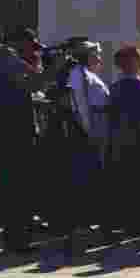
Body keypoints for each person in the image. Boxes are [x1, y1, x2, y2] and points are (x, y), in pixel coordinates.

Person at [0, 28, 43, 253]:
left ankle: (17, 237)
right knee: (17, 185)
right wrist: (42, 67)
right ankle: (16, 240)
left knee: (14, 183)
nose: (33, 48)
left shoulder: (3, 57)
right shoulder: (5, 56)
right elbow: (34, 83)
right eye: (31, 43)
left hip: (11, 131)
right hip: (15, 132)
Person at [105, 45, 140, 239]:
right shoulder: (136, 86)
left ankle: (129, 222)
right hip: (138, 137)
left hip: (120, 138)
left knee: (126, 180)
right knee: (139, 179)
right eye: (138, 59)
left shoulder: (115, 87)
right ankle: (138, 224)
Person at [60, 40, 109, 256]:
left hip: (97, 126)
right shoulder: (78, 75)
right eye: (96, 54)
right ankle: (81, 225)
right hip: (88, 130)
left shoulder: (88, 74)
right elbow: (80, 104)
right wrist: (88, 129)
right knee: (86, 176)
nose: (100, 58)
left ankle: (90, 222)